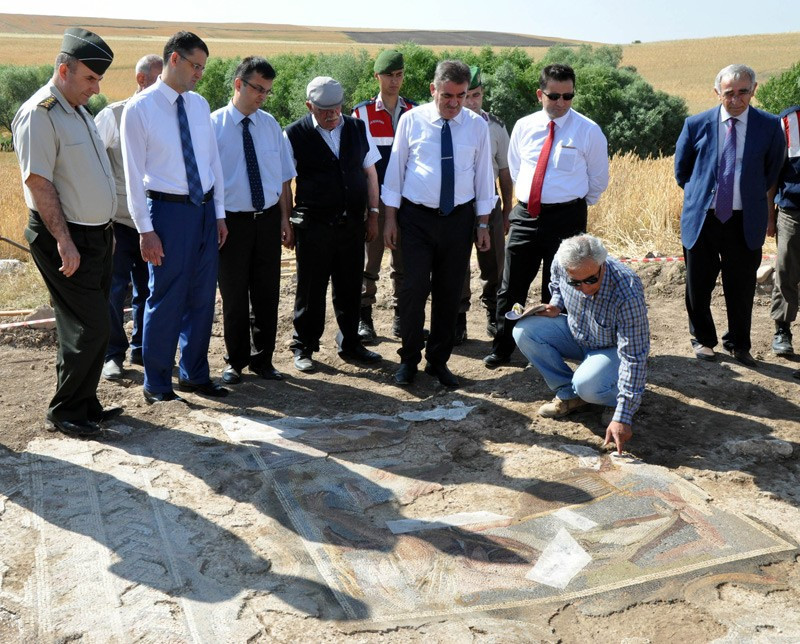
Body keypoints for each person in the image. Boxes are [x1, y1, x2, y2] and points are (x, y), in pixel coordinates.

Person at [12, 28, 120, 437]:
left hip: (96, 236)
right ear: (64, 70)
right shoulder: (39, 113)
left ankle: (85, 404)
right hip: (65, 238)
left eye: (99, 79)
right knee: (91, 326)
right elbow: (39, 182)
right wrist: (64, 241)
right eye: (90, 78)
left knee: (90, 326)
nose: (96, 88)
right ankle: (65, 411)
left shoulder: (77, 110)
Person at [121, 31, 229, 403]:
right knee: (166, 298)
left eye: (203, 67)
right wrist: (145, 230)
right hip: (167, 214)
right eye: (195, 66)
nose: (199, 73)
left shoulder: (199, 105)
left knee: (202, 297)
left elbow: (212, 163)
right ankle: (157, 383)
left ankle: (194, 375)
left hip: (204, 212)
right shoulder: (140, 109)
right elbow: (133, 177)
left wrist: (219, 214)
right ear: (174, 59)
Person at [484, 63, 609, 369]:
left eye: (568, 96)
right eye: (554, 96)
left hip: (567, 219)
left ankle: (551, 349)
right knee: (512, 286)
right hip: (527, 214)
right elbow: (516, 167)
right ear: (540, 94)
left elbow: (598, 178)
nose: (561, 103)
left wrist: (573, 205)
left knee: (560, 288)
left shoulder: (588, 131)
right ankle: (503, 347)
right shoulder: (524, 126)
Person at [382, 60, 495, 387]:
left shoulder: (476, 126)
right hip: (416, 219)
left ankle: (438, 361)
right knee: (413, 289)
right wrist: (390, 219)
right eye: (447, 95)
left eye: (461, 96)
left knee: (449, 292)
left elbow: (483, 177)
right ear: (434, 89)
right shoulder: (411, 120)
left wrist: (483, 224)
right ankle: (408, 360)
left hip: (458, 220)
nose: (455, 103)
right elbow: (396, 172)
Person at [675, 64, 785, 367]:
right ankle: (703, 340)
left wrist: (746, 194)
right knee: (698, 285)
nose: (736, 99)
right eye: (728, 93)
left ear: (754, 90)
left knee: (741, 286)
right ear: (717, 92)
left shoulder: (769, 125)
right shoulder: (695, 124)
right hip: (703, 218)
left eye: (743, 92)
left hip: (744, 220)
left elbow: (771, 170)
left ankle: (738, 343)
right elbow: (682, 171)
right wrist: (704, 194)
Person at [512, 234, 649, 455]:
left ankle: (617, 400)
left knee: (587, 385)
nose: (584, 288)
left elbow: (634, 356)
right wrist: (556, 305)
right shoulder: (561, 262)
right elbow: (557, 285)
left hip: (611, 349)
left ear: (602, 265)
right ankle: (569, 394)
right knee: (524, 331)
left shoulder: (627, 289)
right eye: (575, 282)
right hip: (578, 335)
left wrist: (623, 417)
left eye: (591, 280)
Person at [284, 76, 382, 373]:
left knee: (350, 287)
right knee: (310, 289)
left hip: (352, 225)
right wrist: (286, 221)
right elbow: (284, 183)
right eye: (324, 110)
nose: (332, 115)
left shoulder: (356, 127)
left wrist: (373, 214)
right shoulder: (293, 134)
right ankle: (304, 346)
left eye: (336, 108)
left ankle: (351, 343)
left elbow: (371, 173)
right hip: (313, 226)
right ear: (309, 106)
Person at [211, 57, 296, 384]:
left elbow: (284, 177)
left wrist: (285, 218)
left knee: (266, 292)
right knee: (233, 295)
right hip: (231, 223)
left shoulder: (270, 125)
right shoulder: (214, 126)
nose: (263, 95)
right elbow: (207, 181)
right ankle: (235, 361)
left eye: (267, 91)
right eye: (258, 88)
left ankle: (264, 360)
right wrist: (216, 220)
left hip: (268, 220)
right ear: (238, 84)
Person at [95, 54, 163, 381]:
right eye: (158, 80)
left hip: (156, 221)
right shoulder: (113, 115)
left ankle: (142, 347)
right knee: (113, 289)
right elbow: (92, 164)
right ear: (141, 79)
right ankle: (112, 354)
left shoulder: (166, 118)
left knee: (151, 289)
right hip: (119, 221)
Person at [352, 50, 416, 343]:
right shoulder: (362, 113)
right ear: (377, 76)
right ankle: (364, 318)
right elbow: (358, 162)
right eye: (389, 75)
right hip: (374, 203)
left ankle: (402, 318)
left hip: (407, 202)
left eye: (399, 75)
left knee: (405, 263)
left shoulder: (415, 111)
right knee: (369, 263)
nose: (394, 81)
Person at [456, 65, 513, 343]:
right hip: (458, 201)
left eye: (476, 95)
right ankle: (458, 317)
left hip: (489, 201)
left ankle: (493, 312)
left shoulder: (496, 126)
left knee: (494, 263)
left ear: (482, 94)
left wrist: (508, 208)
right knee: (456, 263)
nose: (471, 102)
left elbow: (505, 171)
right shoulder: (450, 124)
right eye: (467, 96)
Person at [767, 105, 800, 357]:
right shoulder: (789, 120)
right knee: (786, 271)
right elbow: (772, 175)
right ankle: (782, 330)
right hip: (792, 211)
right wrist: (769, 215)